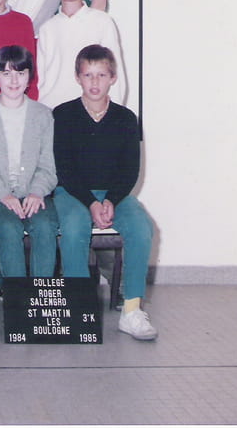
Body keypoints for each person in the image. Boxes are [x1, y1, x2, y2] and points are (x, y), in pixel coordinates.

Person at [53, 45, 157, 341]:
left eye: (101, 75)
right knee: (74, 228)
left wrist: (111, 199)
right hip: (73, 192)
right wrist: (90, 202)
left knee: (142, 228)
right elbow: (64, 168)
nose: (94, 82)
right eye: (88, 75)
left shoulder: (126, 118)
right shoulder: (63, 114)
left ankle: (132, 310)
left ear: (112, 77)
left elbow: (130, 170)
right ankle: (78, 307)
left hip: (115, 195)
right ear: (78, 77)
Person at [0, 46, 58, 279]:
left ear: (30, 77)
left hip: (33, 194)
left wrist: (37, 192)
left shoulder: (43, 115)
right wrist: (4, 195)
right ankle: (15, 294)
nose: (14, 80)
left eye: (20, 73)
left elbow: (48, 165)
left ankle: (41, 294)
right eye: (6, 73)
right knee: (9, 228)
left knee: (44, 227)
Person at [37, 0, 125, 109]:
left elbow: (116, 75)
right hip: (53, 110)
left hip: (91, 110)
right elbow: (41, 80)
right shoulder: (47, 29)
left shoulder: (102, 22)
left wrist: (113, 115)